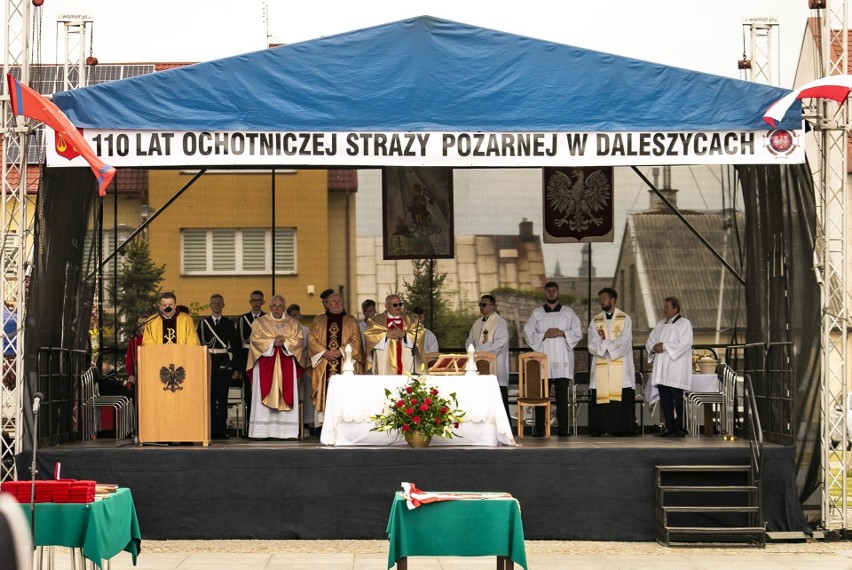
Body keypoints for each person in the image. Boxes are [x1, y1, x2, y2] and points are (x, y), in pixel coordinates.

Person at [523, 281, 582, 437]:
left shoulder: (568, 313)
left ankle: (563, 429)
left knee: (562, 397)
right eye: (548, 291)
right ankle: (540, 429)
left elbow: (577, 333)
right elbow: (528, 333)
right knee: (541, 396)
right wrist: (544, 335)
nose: (551, 293)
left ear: (558, 293)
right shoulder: (537, 313)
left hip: (562, 361)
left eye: (553, 290)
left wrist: (563, 333)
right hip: (544, 360)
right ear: (545, 293)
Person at [245, 294, 305, 440]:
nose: (277, 309)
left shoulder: (293, 323)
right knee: (263, 393)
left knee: (287, 392)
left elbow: (298, 341)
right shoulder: (259, 322)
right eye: (274, 306)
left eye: (280, 306)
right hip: (265, 364)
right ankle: (261, 432)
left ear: (284, 307)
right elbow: (254, 340)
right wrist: (273, 342)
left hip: (286, 363)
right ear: (270, 307)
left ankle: (286, 432)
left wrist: (284, 342)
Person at [308, 293, 364, 430]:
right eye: (333, 301)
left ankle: (346, 423)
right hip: (324, 363)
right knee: (324, 391)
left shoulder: (351, 320)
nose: (337, 303)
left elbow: (356, 340)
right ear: (327, 303)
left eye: (340, 301)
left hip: (346, 363)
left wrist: (341, 351)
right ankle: (322, 426)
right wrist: (324, 352)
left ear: (343, 303)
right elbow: (311, 339)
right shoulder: (318, 320)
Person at [587, 287, 636, 436]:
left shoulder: (625, 318)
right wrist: (609, 345)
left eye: (604, 297)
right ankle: (601, 428)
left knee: (619, 397)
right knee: (602, 397)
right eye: (600, 298)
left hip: (620, 367)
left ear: (613, 299)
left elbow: (625, 340)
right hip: (602, 366)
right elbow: (592, 343)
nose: (601, 301)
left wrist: (606, 346)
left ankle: (621, 429)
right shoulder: (595, 321)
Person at [646, 296, 693, 437]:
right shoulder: (660, 324)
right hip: (661, 369)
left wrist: (665, 346)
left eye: (667, 307)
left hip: (675, 369)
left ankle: (679, 428)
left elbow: (686, 342)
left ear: (675, 308)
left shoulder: (684, 323)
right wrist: (653, 347)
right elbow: (650, 340)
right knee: (665, 400)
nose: (664, 309)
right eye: (664, 307)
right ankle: (669, 426)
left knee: (677, 400)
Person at [197, 294, 241, 439]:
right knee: (208, 397)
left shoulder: (228, 323)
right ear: (210, 305)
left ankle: (221, 429)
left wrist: (236, 367)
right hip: (208, 360)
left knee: (222, 396)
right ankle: (209, 428)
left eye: (219, 303)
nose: (216, 305)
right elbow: (198, 345)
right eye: (214, 303)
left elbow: (235, 346)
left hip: (223, 360)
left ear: (223, 305)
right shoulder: (203, 323)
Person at [466, 294, 511, 417]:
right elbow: (469, 340)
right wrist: (471, 350)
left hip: (495, 367)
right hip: (479, 367)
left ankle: (505, 431)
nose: (481, 307)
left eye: (484, 304)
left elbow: (501, 343)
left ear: (493, 306)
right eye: (480, 304)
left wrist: (479, 349)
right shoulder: (477, 323)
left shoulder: (500, 323)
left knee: (500, 402)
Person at [363, 294, 425, 375]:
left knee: (406, 383)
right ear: (387, 306)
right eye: (395, 305)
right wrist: (386, 336)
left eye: (400, 304)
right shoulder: (375, 320)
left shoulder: (411, 320)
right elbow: (369, 336)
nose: (398, 307)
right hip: (384, 361)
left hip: (406, 360)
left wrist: (405, 335)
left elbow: (420, 333)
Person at [235, 290, 265, 435]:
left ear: (263, 303)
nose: (256, 303)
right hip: (247, 358)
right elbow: (239, 345)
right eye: (253, 300)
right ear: (250, 302)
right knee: (248, 394)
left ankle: (262, 426)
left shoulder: (267, 318)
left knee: (262, 394)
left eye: (259, 300)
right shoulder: (243, 319)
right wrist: (240, 368)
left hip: (263, 359)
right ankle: (248, 426)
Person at [287, 303, 315, 436]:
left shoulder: (306, 330)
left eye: (295, 315)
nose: (294, 318)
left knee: (307, 394)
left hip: (304, 364)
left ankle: (307, 423)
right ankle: (294, 423)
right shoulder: (286, 330)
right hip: (290, 365)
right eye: (291, 316)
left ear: (299, 315)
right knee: (294, 394)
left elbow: (310, 348)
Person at [124, 314, 150, 391]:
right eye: (140, 323)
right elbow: (129, 358)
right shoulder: (134, 341)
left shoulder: (154, 339)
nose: (142, 325)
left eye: (145, 323)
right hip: (138, 371)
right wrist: (130, 374)